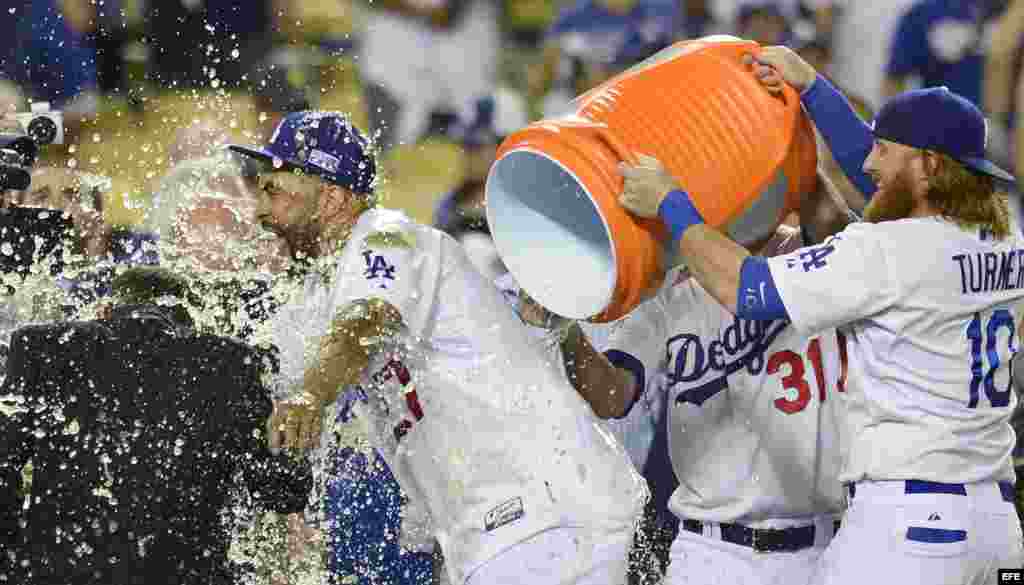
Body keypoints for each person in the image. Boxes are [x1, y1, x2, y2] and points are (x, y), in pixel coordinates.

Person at [616, 44, 1024, 583]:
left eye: (882, 149)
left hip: (911, 528)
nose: (869, 162)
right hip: (995, 528)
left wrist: (672, 203)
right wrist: (811, 87)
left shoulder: (887, 252)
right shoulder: (1004, 243)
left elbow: (746, 287)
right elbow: (897, 190)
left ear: (929, 165)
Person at [227, 110, 646, 585]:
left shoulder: (387, 236)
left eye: (273, 191)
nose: (259, 212)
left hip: (545, 513)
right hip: (507, 526)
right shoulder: (325, 286)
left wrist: (311, 395)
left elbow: (363, 325)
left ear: (331, 197)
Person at [521, 168, 858, 585]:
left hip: (824, 546)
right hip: (712, 552)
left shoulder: (807, 256)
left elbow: (827, 212)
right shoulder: (668, 293)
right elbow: (612, 394)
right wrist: (565, 331)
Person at [0, 265, 312, 585]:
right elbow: (283, 491)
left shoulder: (42, 347)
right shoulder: (232, 362)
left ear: (105, 309)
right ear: (189, 318)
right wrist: (292, 427)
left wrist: (13, 562)